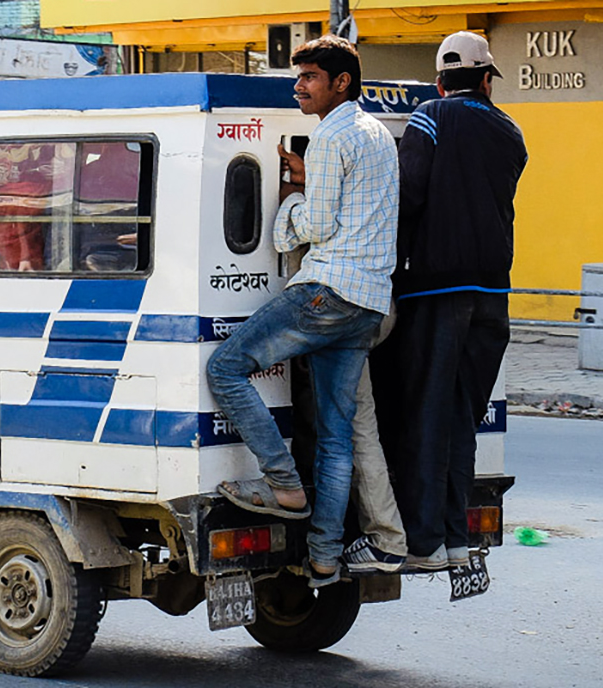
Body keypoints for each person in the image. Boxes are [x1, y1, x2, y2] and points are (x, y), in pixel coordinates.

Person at [206, 35, 398, 587]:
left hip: (325, 291)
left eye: (310, 77)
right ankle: (323, 559)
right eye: (300, 77)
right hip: (367, 302)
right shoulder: (377, 134)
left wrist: (290, 198)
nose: (299, 86)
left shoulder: (331, 137)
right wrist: (309, 180)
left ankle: (282, 482)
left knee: (226, 367)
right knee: (337, 439)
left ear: (340, 82)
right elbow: (356, 207)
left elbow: (316, 227)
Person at [378, 31, 527, 570]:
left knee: (426, 415)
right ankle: (455, 537)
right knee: (463, 416)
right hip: (493, 296)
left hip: (437, 292)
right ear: (487, 80)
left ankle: (422, 543)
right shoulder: (511, 131)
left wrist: (386, 270)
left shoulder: (428, 117)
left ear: (440, 81)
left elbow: (408, 196)